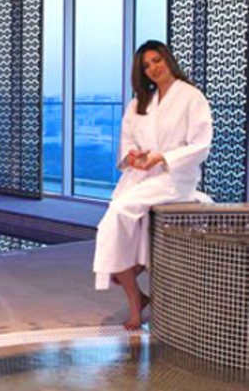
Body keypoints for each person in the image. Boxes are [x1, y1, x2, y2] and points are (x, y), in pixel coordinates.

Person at [93, 40, 213, 330]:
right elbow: (127, 143)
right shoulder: (139, 103)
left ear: (167, 59)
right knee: (112, 226)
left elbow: (201, 144)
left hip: (175, 176)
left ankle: (132, 284)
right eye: (146, 65)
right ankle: (136, 298)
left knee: (118, 214)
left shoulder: (191, 96)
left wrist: (162, 157)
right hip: (141, 177)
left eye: (157, 60)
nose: (153, 68)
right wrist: (133, 157)